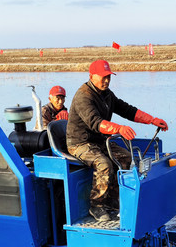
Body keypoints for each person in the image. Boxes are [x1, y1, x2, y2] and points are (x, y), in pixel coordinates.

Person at [66, 59, 168, 223]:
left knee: (127, 158)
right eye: (103, 77)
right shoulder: (83, 96)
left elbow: (126, 109)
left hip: (99, 141)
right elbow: (95, 122)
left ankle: (113, 202)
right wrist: (119, 129)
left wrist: (152, 120)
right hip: (80, 143)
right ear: (92, 76)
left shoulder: (106, 94)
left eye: (109, 77)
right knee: (104, 165)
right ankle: (97, 205)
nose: (106, 81)